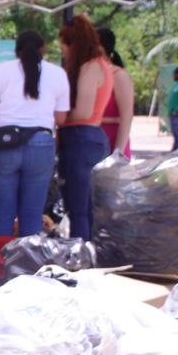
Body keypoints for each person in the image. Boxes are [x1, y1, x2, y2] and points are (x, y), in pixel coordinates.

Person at [0, 29, 71, 238]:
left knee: (3, 213)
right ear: (43, 49)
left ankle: (1, 257)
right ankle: (28, 256)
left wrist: (5, 113)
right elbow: (61, 118)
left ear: (16, 50)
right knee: (32, 214)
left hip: (5, 143)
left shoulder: (2, 70)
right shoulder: (58, 74)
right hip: (41, 143)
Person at [57, 16, 116, 240]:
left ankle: (80, 252)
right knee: (84, 207)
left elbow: (83, 111)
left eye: (65, 47)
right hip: (89, 138)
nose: (64, 53)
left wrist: (58, 117)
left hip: (81, 139)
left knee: (78, 208)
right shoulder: (102, 65)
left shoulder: (90, 67)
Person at [96, 28, 137, 156]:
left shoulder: (119, 75)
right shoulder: (88, 75)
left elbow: (127, 117)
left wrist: (118, 152)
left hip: (113, 140)